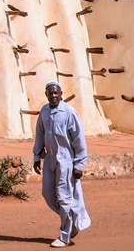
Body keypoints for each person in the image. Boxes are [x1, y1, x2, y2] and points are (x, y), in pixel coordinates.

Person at [33, 82, 91, 248]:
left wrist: (79, 165)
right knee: (47, 193)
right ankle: (72, 221)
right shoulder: (44, 112)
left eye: (56, 93)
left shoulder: (69, 113)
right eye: (50, 93)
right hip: (50, 159)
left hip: (66, 161)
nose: (54, 96)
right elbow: (40, 134)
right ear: (46, 94)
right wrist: (37, 155)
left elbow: (79, 140)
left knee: (65, 198)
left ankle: (65, 236)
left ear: (61, 94)